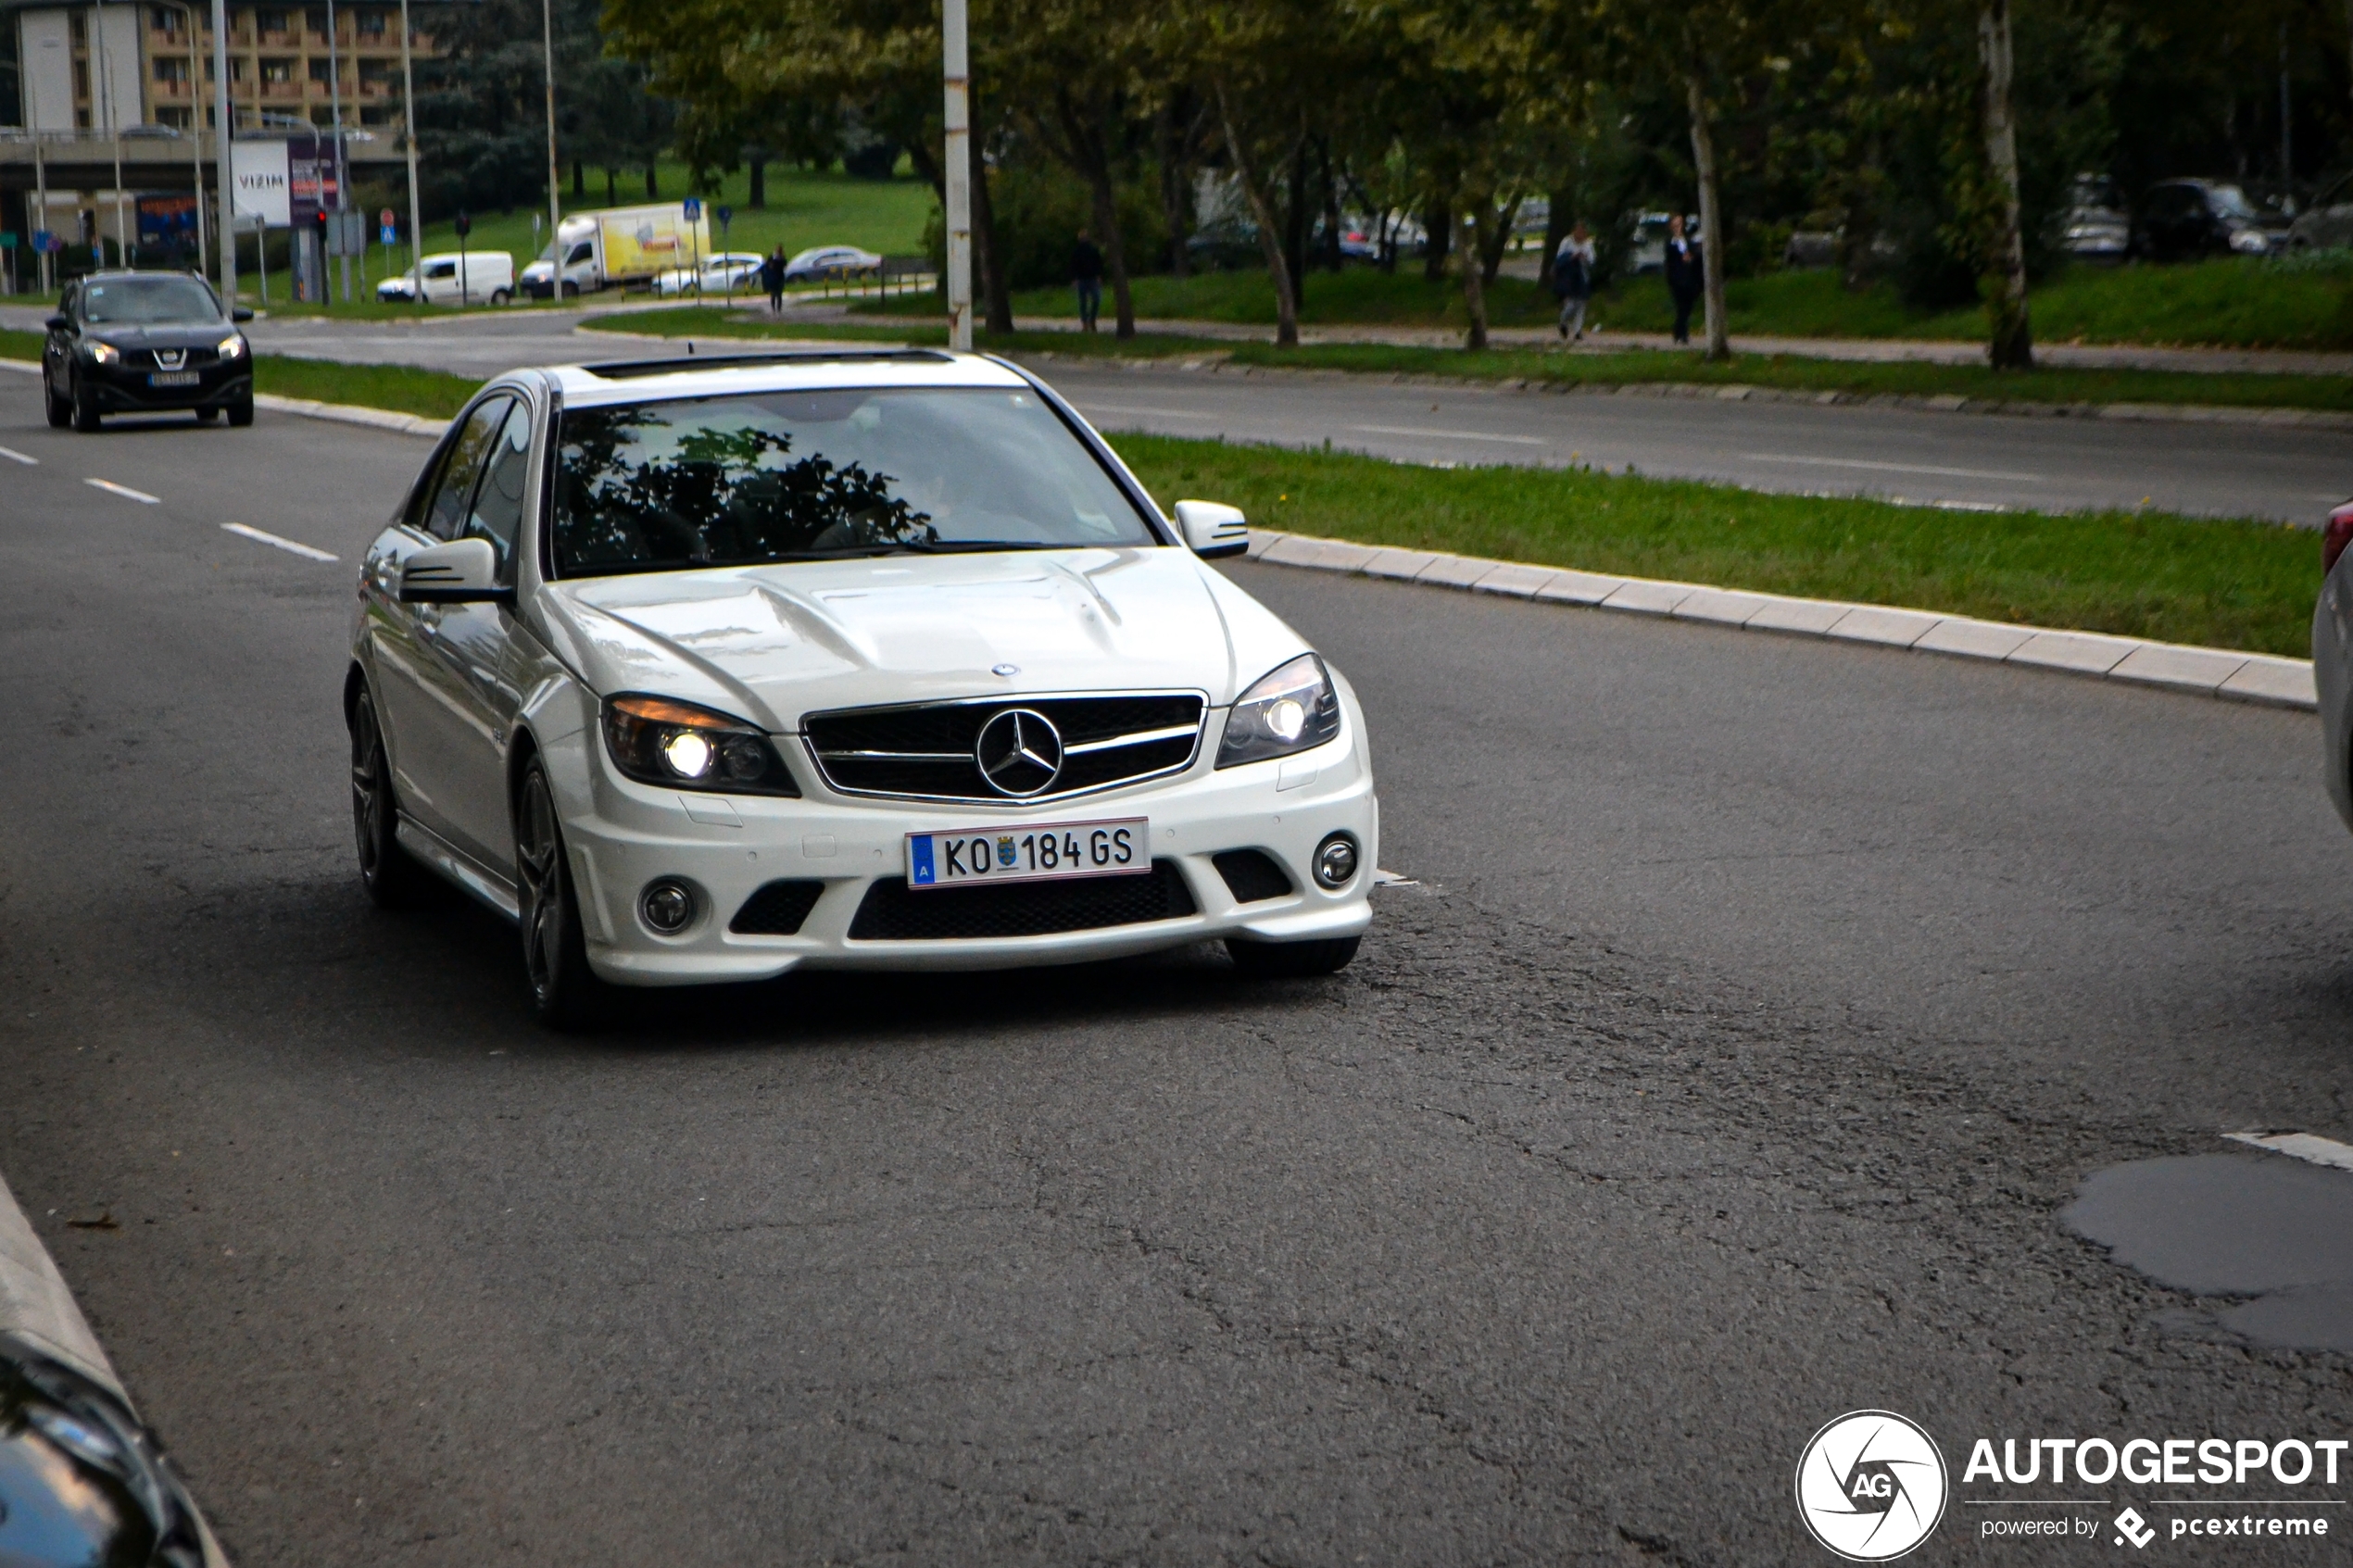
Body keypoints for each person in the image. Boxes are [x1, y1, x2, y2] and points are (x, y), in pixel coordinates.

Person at [1663, 214, 1703, 346]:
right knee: (1681, 307)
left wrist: (1691, 258)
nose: (1678, 228)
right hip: (1677, 279)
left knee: (1687, 307)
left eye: (1679, 225)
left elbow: (1696, 257)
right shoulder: (1670, 244)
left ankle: (1679, 331)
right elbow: (1671, 262)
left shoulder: (1688, 241)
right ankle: (1682, 334)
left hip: (1690, 279)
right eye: (1675, 225)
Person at [1553, 221, 1595, 342]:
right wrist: (1572, 257)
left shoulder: (1588, 244)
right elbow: (1560, 258)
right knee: (1571, 304)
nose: (1581, 234)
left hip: (1583, 277)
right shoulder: (1566, 242)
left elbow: (1592, 260)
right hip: (1569, 277)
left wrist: (1585, 258)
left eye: (1583, 232)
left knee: (1581, 304)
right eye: (1578, 231)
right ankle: (1563, 322)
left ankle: (1577, 331)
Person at [1072, 230, 1104, 332]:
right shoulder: (1076, 251)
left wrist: (1099, 276)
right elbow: (1073, 266)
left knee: (1096, 299)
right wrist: (1074, 279)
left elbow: (1098, 263)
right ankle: (1085, 323)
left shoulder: (1093, 250)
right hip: (1082, 279)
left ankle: (1092, 320)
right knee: (1083, 303)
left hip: (1092, 278)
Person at [761, 245, 786, 314]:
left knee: (776, 295)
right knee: (776, 295)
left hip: (777, 278)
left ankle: (776, 309)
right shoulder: (776, 259)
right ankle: (776, 309)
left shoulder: (779, 259)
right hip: (777, 278)